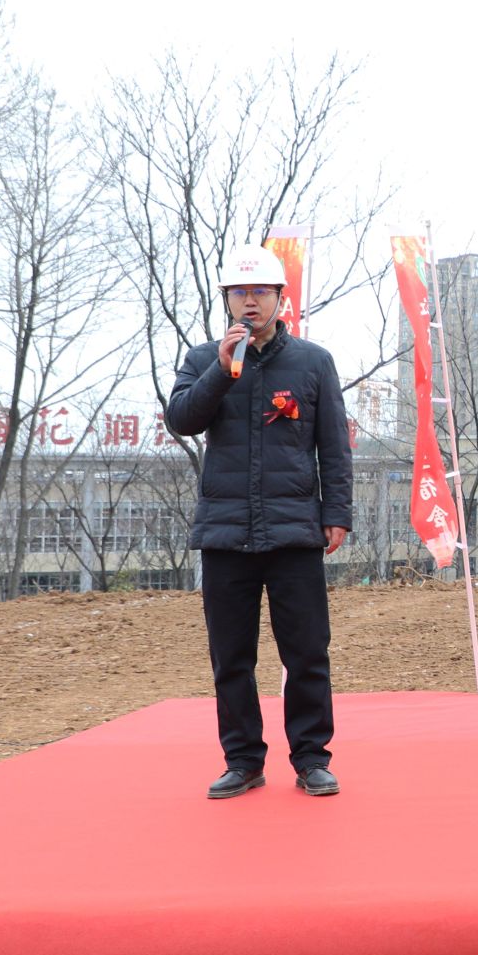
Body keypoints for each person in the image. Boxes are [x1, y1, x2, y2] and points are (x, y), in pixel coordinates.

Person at [165, 247, 352, 800]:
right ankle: (243, 760)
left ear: (279, 299)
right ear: (227, 299)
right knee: (231, 657)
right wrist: (222, 370)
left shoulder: (313, 362)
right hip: (225, 532)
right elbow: (182, 419)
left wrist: (336, 513)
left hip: (294, 530)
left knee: (307, 652)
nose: (251, 302)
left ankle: (312, 758)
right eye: (240, 293)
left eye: (261, 292)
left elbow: (334, 446)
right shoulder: (204, 359)